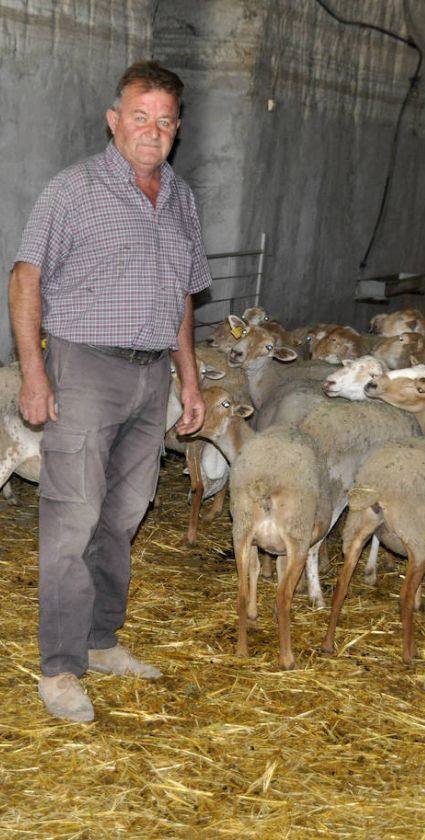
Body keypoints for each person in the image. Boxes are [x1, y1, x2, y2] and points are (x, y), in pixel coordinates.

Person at [8, 61, 211, 723]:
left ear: (176, 130)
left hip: (151, 375)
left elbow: (182, 296)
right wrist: (34, 373)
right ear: (113, 119)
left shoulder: (181, 199)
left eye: (164, 121)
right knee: (72, 517)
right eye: (139, 117)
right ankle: (60, 668)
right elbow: (25, 278)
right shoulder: (74, 188)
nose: (151, 131)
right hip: (85, 367)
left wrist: (189, 378)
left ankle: (99, 639)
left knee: (125, 513)